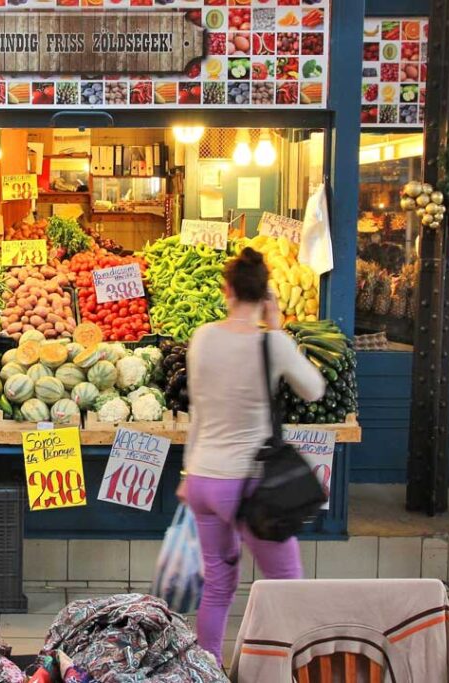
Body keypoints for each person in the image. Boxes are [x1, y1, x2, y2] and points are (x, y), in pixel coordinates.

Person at [176, 247, 325, 667]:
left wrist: (188, 471)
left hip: (204, 480)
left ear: (226, 289)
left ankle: (207, 670)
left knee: (219, 585)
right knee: (287, 583)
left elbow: (199, 410)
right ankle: (289, 668)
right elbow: (313, 389)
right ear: (266, 295)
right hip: (246, 486)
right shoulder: (272, 343)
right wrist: (278, 330)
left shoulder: (202, 337)